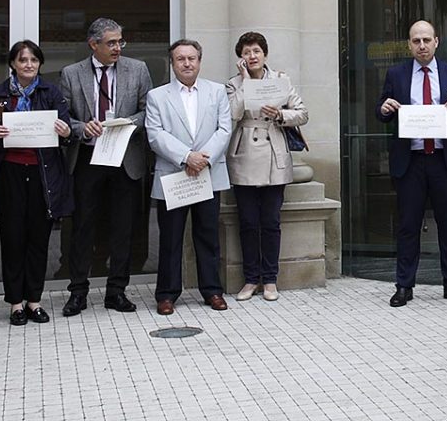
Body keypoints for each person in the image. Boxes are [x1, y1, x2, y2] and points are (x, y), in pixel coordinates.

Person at [376, 20, 447, 307]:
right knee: (408, 225)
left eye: (426, 40)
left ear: (436, 42)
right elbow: (382, 109)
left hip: (444, 160)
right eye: (416, 41)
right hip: (411, 161)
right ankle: (404, 285)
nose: (421, 45)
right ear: (409, 44)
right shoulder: (396, 73)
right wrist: (383, 109)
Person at [59, 18, 153, 317]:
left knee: (123, 227)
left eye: (120, 41)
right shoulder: (71, 74)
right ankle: (77, 291)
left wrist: (127, 124)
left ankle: (117, 291)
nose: (117, 48)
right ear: (93, 44)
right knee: (83, 227)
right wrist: (82, 128)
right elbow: (62, 117)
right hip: (88, 159)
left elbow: (147, 110)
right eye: (111, 43)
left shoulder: (137, 69)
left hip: (124, 158)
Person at [0, 40, 75, 326]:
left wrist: (66, 130)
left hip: (43, 174)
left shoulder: (51, 92)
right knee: (12, 238)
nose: (29, 65)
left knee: (39, 238)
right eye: (23, 60)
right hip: (9, 172)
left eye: (34, 60)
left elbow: (67, 131)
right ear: (12, 64)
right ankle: (15, 303)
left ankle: (34, 301)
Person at [146, 39, 231, 314]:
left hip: (208, 174)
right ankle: (167, 295)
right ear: (172, 63)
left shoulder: (217, 92)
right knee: (170, 239)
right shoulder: (157, 96)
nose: (187, 63)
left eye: (191, 58)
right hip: (174, 175)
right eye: (180, 59)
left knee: (208, 236)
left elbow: (224, 129)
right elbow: (155, 134)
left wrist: (202, 159)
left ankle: (212, 291)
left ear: (199, 61)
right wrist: (186, 157)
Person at [226, 32, 308, 302]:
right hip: (245, 153)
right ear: (241, 57)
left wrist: (281, 114)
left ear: (265, 54)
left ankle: (270, 279)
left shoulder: (281, 80)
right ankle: (251, 279)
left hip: (274, 151)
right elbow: (231, 115)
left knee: (271, 221)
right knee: (248, 222)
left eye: (257, 51)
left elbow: (303, 113)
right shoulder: (233, 84)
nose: (252, 56)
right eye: (247, 52)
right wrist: (246, 84)